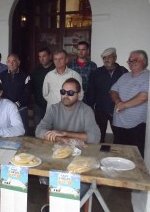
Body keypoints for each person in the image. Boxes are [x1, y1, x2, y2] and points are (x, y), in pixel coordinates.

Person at [37, 78, 100, 212]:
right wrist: (60, 138)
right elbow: (39, 130)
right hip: (57, 158)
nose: (65, 95)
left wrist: (66, 133)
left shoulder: (86, 110)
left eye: (70, 93)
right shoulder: (54, 108)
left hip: (80, 160)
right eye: (63, 91)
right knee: (53, 179)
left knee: (80, 185)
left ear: (79, 94)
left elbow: (95, 137)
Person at [110, 50, 149, 158]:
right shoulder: (125, 76)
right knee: (118, 155)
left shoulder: (149, 77)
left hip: (136, 126)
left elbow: (144, 96)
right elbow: (113, 90)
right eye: (129, 61)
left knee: (135, 157)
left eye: (134, 60)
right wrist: (118, 102)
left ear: (144, 61)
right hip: (118, 124)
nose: (131, 63)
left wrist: (124, 105)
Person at [86, 48, 128, 143]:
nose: (106, 59)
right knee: (99, 135)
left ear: (115, 57)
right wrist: (90, 107)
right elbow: (91, 91)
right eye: (104, 57)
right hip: (100, 109)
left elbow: (128, 91)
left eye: (109, 57)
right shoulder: (97, 72)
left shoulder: (123, 72)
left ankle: (117, 156)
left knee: (119, 136)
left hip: (117, 109)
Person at [0, 53, 31, 135]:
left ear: (18, 62)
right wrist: (8, 105)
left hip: (21, 109)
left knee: (23, 133)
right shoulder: (1, 76)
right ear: (6, 63)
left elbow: (27, 94)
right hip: (5, 110)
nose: (11, 63)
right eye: (9, 61)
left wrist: (17, 104)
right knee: (6, 133)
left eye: (14, 61)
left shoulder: (25, 76)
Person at [31, 47, 55, 126]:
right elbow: (32, 87)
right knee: (38, 127)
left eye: (44, 56)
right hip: (38, 105)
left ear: (50, 56)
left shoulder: (55, 69)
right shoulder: (36, 70)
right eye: (40, 57)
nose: (41, 59)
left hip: (53, 104)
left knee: (52, 128)